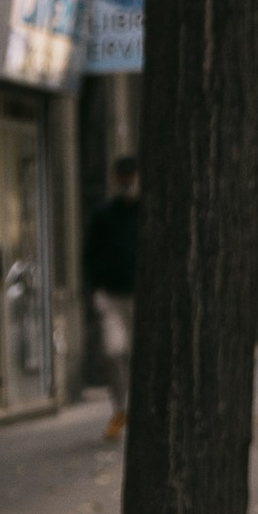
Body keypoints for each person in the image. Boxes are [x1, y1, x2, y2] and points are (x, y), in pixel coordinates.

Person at [81, 153, 140, 438]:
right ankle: (120, 409)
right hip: (112, 296)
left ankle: (139, 408)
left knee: (137, 355)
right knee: (114, 351)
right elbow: (90, 254)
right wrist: (95, 289)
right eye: (123, 180)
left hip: (141, 295)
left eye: (132, 180)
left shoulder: (149, 213)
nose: (128, 185)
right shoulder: (104, 214)